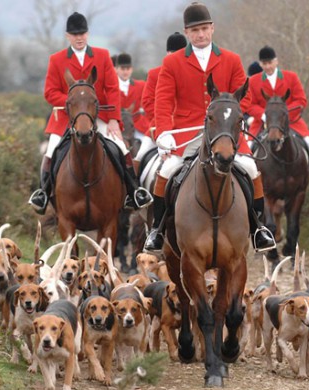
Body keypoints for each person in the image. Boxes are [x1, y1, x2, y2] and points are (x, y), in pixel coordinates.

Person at [144, 2, 275, 253]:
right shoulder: (172, 63)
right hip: (187, 131)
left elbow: (244, 96)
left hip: (225, 130)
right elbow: (162, 101)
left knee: (250, 167)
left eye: (204, 28)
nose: (200, 34)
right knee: (166, 170)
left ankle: (259, 228)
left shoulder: (231, 59)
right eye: (195, 31)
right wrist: (163, 132)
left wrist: (226, 111)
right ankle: (157, 230)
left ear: (212, 28)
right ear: (187, 33)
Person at [28, 12, 152, 214]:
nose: (79, 37)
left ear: (88, 34)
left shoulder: (102, 56)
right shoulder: (57, 59)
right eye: (75, 34)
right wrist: (74, 103)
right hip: (65, 118)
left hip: (100, 116)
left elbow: (112, 89)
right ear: (68, 36)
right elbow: (49, 92)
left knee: (122, 148)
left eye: (82, 33)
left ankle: (134, 191)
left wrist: (113, 119)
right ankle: (43, 194)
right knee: (50, 151)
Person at [246, 45, 309, 189]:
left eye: (270, 63)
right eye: (264, 64)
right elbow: (249, 104)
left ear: (276, 62)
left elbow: (301, 100)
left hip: (290, 121)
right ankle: (248, 183)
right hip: (262, 122)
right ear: (260, 64)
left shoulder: (291, 77)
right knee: (248, 148)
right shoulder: (253, 81)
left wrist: (283, 115)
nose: (268, 66)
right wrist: (264, 115)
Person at [136, 32, 188, 172]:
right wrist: (164, 118)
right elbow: (147, 102)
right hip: (159, 126)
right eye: (173, 54)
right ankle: (134, 192)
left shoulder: (192, 73)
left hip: (186, 125)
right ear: (167, 54)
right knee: (140, 156)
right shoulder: (154, 74)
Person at [115, 52, 150, 169]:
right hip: (118, 127)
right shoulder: (111, 87)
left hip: (138, 125)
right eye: (122, 68)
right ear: (116, 69)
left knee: (146, 150)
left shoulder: (141, 85)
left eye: (128, 68)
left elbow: (146, 103)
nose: (125, 72)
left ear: (131, 69)